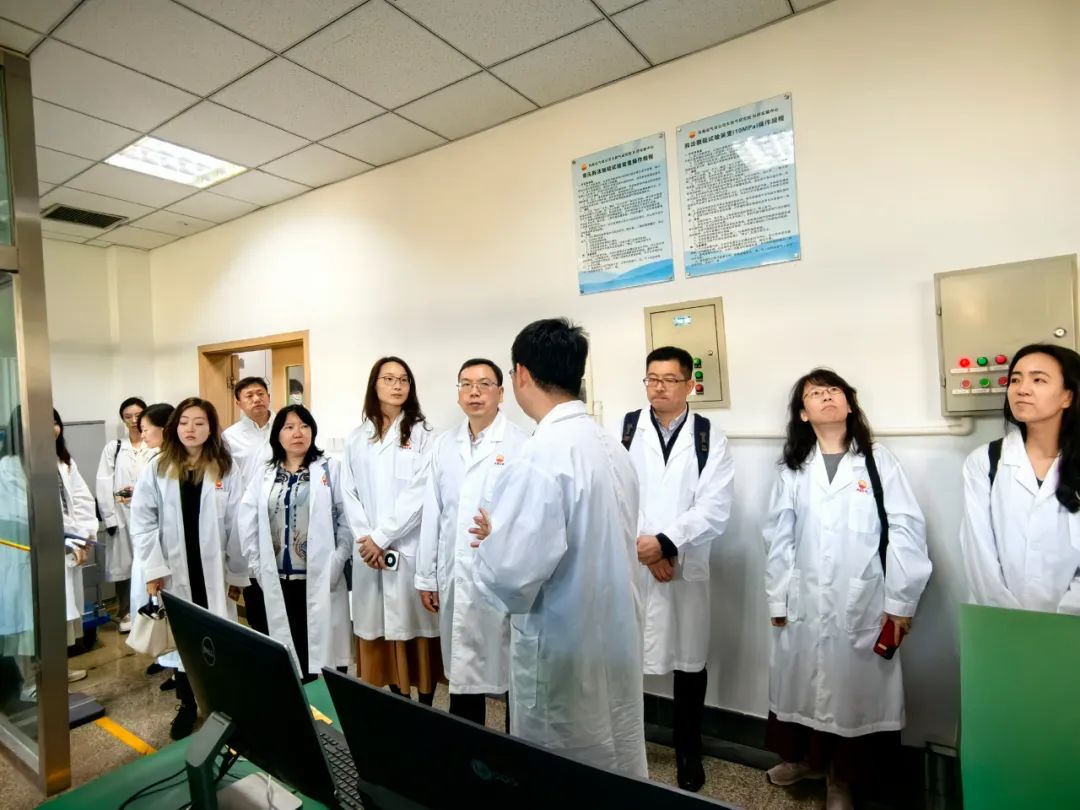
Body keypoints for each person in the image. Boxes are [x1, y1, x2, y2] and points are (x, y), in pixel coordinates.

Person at [472, 318, 647, 778]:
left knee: (564, 770)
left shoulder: (541, 455)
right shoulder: (610, 446)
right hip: (613, 637)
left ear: (521, 374)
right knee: (614, 758)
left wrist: (493, 541)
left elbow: (511, 577)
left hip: (563, 645)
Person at [762, 369, 932, 810]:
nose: (826, 397)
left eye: (833, 390)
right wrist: (778, 596)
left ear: (849, 403)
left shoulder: (877, 461)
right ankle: (806, 762)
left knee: (851, 697)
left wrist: (900, 601)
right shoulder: (793, 468)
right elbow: (778, 537)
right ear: (803, 413)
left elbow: (906, 530)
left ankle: (841, 779)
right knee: (802, 686)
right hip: (803, 599)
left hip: (862, 599)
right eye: (814, 393)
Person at [622, 346, 735, 791]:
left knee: (689, 663)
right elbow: (617, 493)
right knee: (625, 656)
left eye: (669, 379)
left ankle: (688, 749)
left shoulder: (709, 437)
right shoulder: (625, 428)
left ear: (690, 385)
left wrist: (666, 544)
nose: (659, 387)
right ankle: (626, 742)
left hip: (683, 565)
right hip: (635, 562)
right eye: (652, 379)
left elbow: (715, 507)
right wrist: (648, 549)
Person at [414, 358, 528, 728]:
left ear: (501, 393)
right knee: (463, 672)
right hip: (456, 574)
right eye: (466, 384)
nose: (474, 392)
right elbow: (433, 513)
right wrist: (426, 576)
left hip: (503, 578)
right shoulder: (444, 445)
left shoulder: (522, 444)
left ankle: (513, 750)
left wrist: (500, 530)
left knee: (512, 671)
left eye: (483, 384)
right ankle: (466, 748)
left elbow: (531, 516)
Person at [129, 397, 248, 739]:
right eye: (184, 422)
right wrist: (153, 569)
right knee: (182, 642)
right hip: (173, 570)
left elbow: (238, 525)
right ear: (174, 427)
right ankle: (186, 705)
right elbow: (143, 521)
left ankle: (221, 705)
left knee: (216, 639)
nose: (190, 429)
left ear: (211, 428)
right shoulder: (158, 467)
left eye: (199, 423)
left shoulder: (226, 467)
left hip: (215, 572)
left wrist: (237, 574)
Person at [341, 357, 440, 704]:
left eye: (403, 379)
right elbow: (349, 493)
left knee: (416, 637)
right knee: (379, 632)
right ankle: (396, 702)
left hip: (408, 550)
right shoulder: (357, 438)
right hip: (370, 553)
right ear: (375, 385)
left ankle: (425, 708)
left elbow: (422, 492)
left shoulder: (425, 435)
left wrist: (381, 537)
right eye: (389, 378)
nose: (397, 385)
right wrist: (367, 540)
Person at [960, 343, 1080, 613]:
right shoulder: (985, 461)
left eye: (1038, 380)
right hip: (999, 620)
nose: (1022, 389)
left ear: (1067, 396)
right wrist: (1012, 620)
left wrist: (1063, 619)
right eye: (1015, 380)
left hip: (1072, 624)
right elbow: (978, 553)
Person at [239, 405, 352, 682]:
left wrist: (338, 559)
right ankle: (296, 704)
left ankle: (324, 705)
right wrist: (256, 563)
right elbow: (248, 520)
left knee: (325, 658)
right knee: (289, 655)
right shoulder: (265, 474)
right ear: (278, 435)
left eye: (304, 426)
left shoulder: (330, 470)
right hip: (277, 578)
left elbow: (347, 520)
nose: (297, 433)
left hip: (320, 577)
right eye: (289, 427)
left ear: (313, 431)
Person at [222, 377, 273, 635]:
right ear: (238, 402)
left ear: (268, 396)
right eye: (249, 395)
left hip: (282, 514)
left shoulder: (285, 426)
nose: (256, 399)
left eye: (260, 393)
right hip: (248, 518)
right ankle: (262, 636)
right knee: (255, 584)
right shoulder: (230, 437)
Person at [131, 403, 176, 683]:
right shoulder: (156, 463)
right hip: (156, 552)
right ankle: (169, 663)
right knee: (162, 611)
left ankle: (176, 669)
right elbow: (146, 515)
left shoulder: (176, 462)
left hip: (170, 553)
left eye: (146, 429)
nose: (143, 435)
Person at [95, 396, 147, 633]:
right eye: (128, 416)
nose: (134, 420)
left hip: (149, 515)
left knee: (151, 564)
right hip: (122, 515)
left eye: (138, 415)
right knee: (124, 567)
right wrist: (109, 518)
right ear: (123, 420)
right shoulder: (115, 448)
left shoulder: (156, 446)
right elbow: (104, 482)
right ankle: (126, 612)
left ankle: (152, 610)